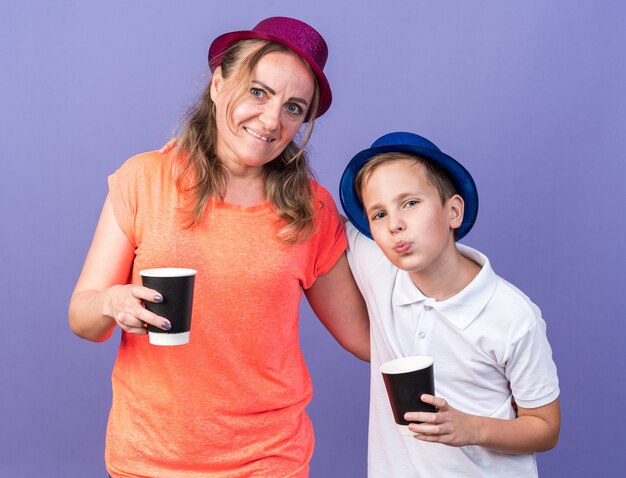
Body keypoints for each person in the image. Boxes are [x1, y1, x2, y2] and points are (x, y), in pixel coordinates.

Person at [69, 17, 369, 478]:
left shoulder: (312, 210)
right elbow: (84, 319)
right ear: (217, 83)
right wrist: (112, 302)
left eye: (293, 107)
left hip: (269, 460)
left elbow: (364, 337)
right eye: (258, 92)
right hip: (148, 459)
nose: (271, 120)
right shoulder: (143, 180)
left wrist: (483, 354)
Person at [339, 132, 560, 477]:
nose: (394, 224)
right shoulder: (380, 269)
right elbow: (309, 204)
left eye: (410, 203)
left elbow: (545, 427)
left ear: (453, 211)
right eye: (378, 214)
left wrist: (470, 429)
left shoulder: (513, 315)